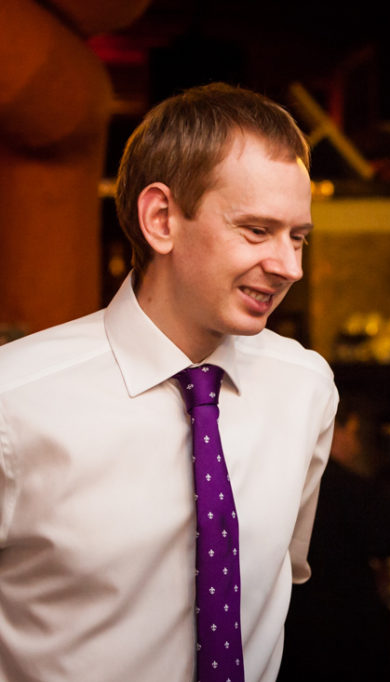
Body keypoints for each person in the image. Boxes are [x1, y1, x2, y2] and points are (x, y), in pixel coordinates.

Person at [0, 83, 339, 681]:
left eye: (298, 237)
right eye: (257, 231)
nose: (291, 267)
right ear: (161, 220)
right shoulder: (16, 400)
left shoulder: (305, 387)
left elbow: (279, 576)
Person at [279, 398, 390, 682]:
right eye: (353, 432)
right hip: (347, 626)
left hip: (292, 625)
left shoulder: (285, 481)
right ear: (334, 431)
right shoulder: (349, 487)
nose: (358, 443)